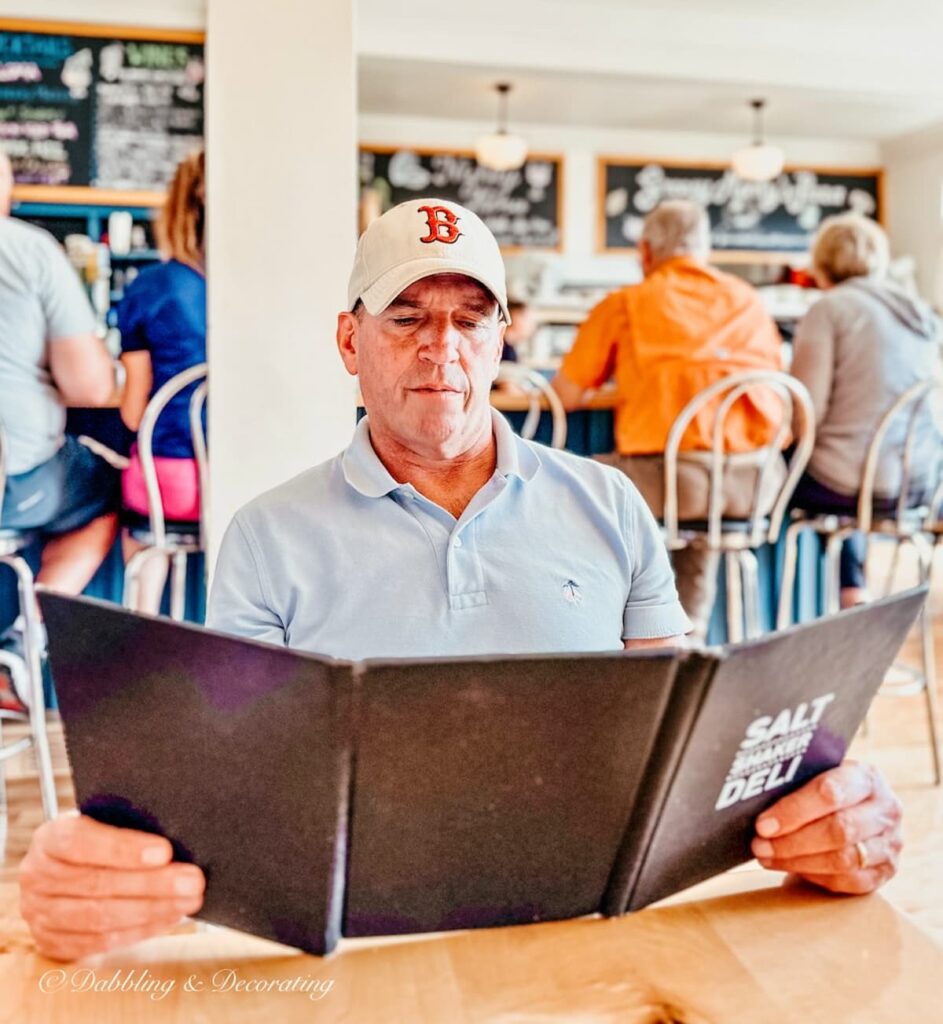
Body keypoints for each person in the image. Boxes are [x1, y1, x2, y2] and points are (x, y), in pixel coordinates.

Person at [19, 199, 904, 961]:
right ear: (348, 340)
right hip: (363, 937)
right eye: (406, 315)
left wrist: (824, 809)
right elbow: (230, 788)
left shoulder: (612, 502)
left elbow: (679, 747)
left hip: (592, 921)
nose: (441, 345)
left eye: (469, 318)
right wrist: (101, 868)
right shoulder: (264, 536)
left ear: (499, 339)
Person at [551, 200, 785, 638]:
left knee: (575, 484)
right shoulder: (748, 300)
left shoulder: (628, 303)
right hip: (752, 486)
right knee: (696, 509)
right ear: (705, 249)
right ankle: (688, 633)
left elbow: (563, 394)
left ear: (644, 251)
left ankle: (601, 630)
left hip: (668, 484)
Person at [0, 151, 120, 712]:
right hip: (15, 482)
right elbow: (93, 388)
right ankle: (24, 642)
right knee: (99, 496)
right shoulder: (26, 250)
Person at [790, 213, 943, 608]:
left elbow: (806, 413)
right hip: (918, 480)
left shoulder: (829, 310)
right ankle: (852, 585)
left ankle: (781, 617)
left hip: (846, 484)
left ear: (821, 263)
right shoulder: (920, 312)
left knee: (780, 470)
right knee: (849, 453)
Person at [117, 149, 206, 613]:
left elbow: (135, 413)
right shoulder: (257, 290)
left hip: (168, 484)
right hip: (247, 475)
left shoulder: (149, 288)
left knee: (137, 523)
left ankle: (143, 625)